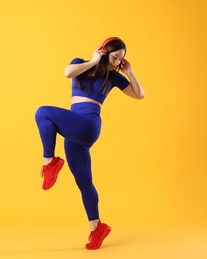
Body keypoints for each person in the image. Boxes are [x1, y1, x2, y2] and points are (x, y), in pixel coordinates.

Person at [35, 37, 145, 250]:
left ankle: (50, 163)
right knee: (84, 182)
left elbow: (139, 95)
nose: (116, 63)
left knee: (42, 112)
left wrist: (128, 72)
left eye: (120, 59)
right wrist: (95, 61)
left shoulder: (114, 77)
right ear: (104, 51)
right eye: (114, 57)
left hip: (88, 125)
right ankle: (97, 229)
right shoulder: (81, 63)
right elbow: (67, 72)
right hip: (74, 129)